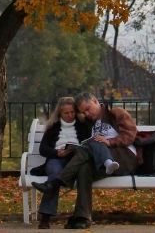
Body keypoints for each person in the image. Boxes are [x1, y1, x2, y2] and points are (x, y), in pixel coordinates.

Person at [31, 93, 139, 230]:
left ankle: (55, 182)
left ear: (95, 100)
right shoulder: (89, 122)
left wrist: (109, 141)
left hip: (124, 157)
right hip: (104, 163)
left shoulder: (115, 113)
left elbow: (130, 135)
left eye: (88, 109)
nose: (86, 113)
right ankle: (82, 217)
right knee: (84, 168)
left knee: (89, 145)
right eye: (83, 112)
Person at [32, 96, 91, 229]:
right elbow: (43, 149)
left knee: (55, 179)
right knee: (54, 172)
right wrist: (57, 153)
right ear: (60, 113)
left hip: (77, 159)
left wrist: (74, 149)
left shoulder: (83, 125)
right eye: (66, 113)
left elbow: (89, 145)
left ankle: (47, 213)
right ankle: (45, 219)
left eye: (72, 112)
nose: (70, 115)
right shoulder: (53, 127)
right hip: (57, 158)